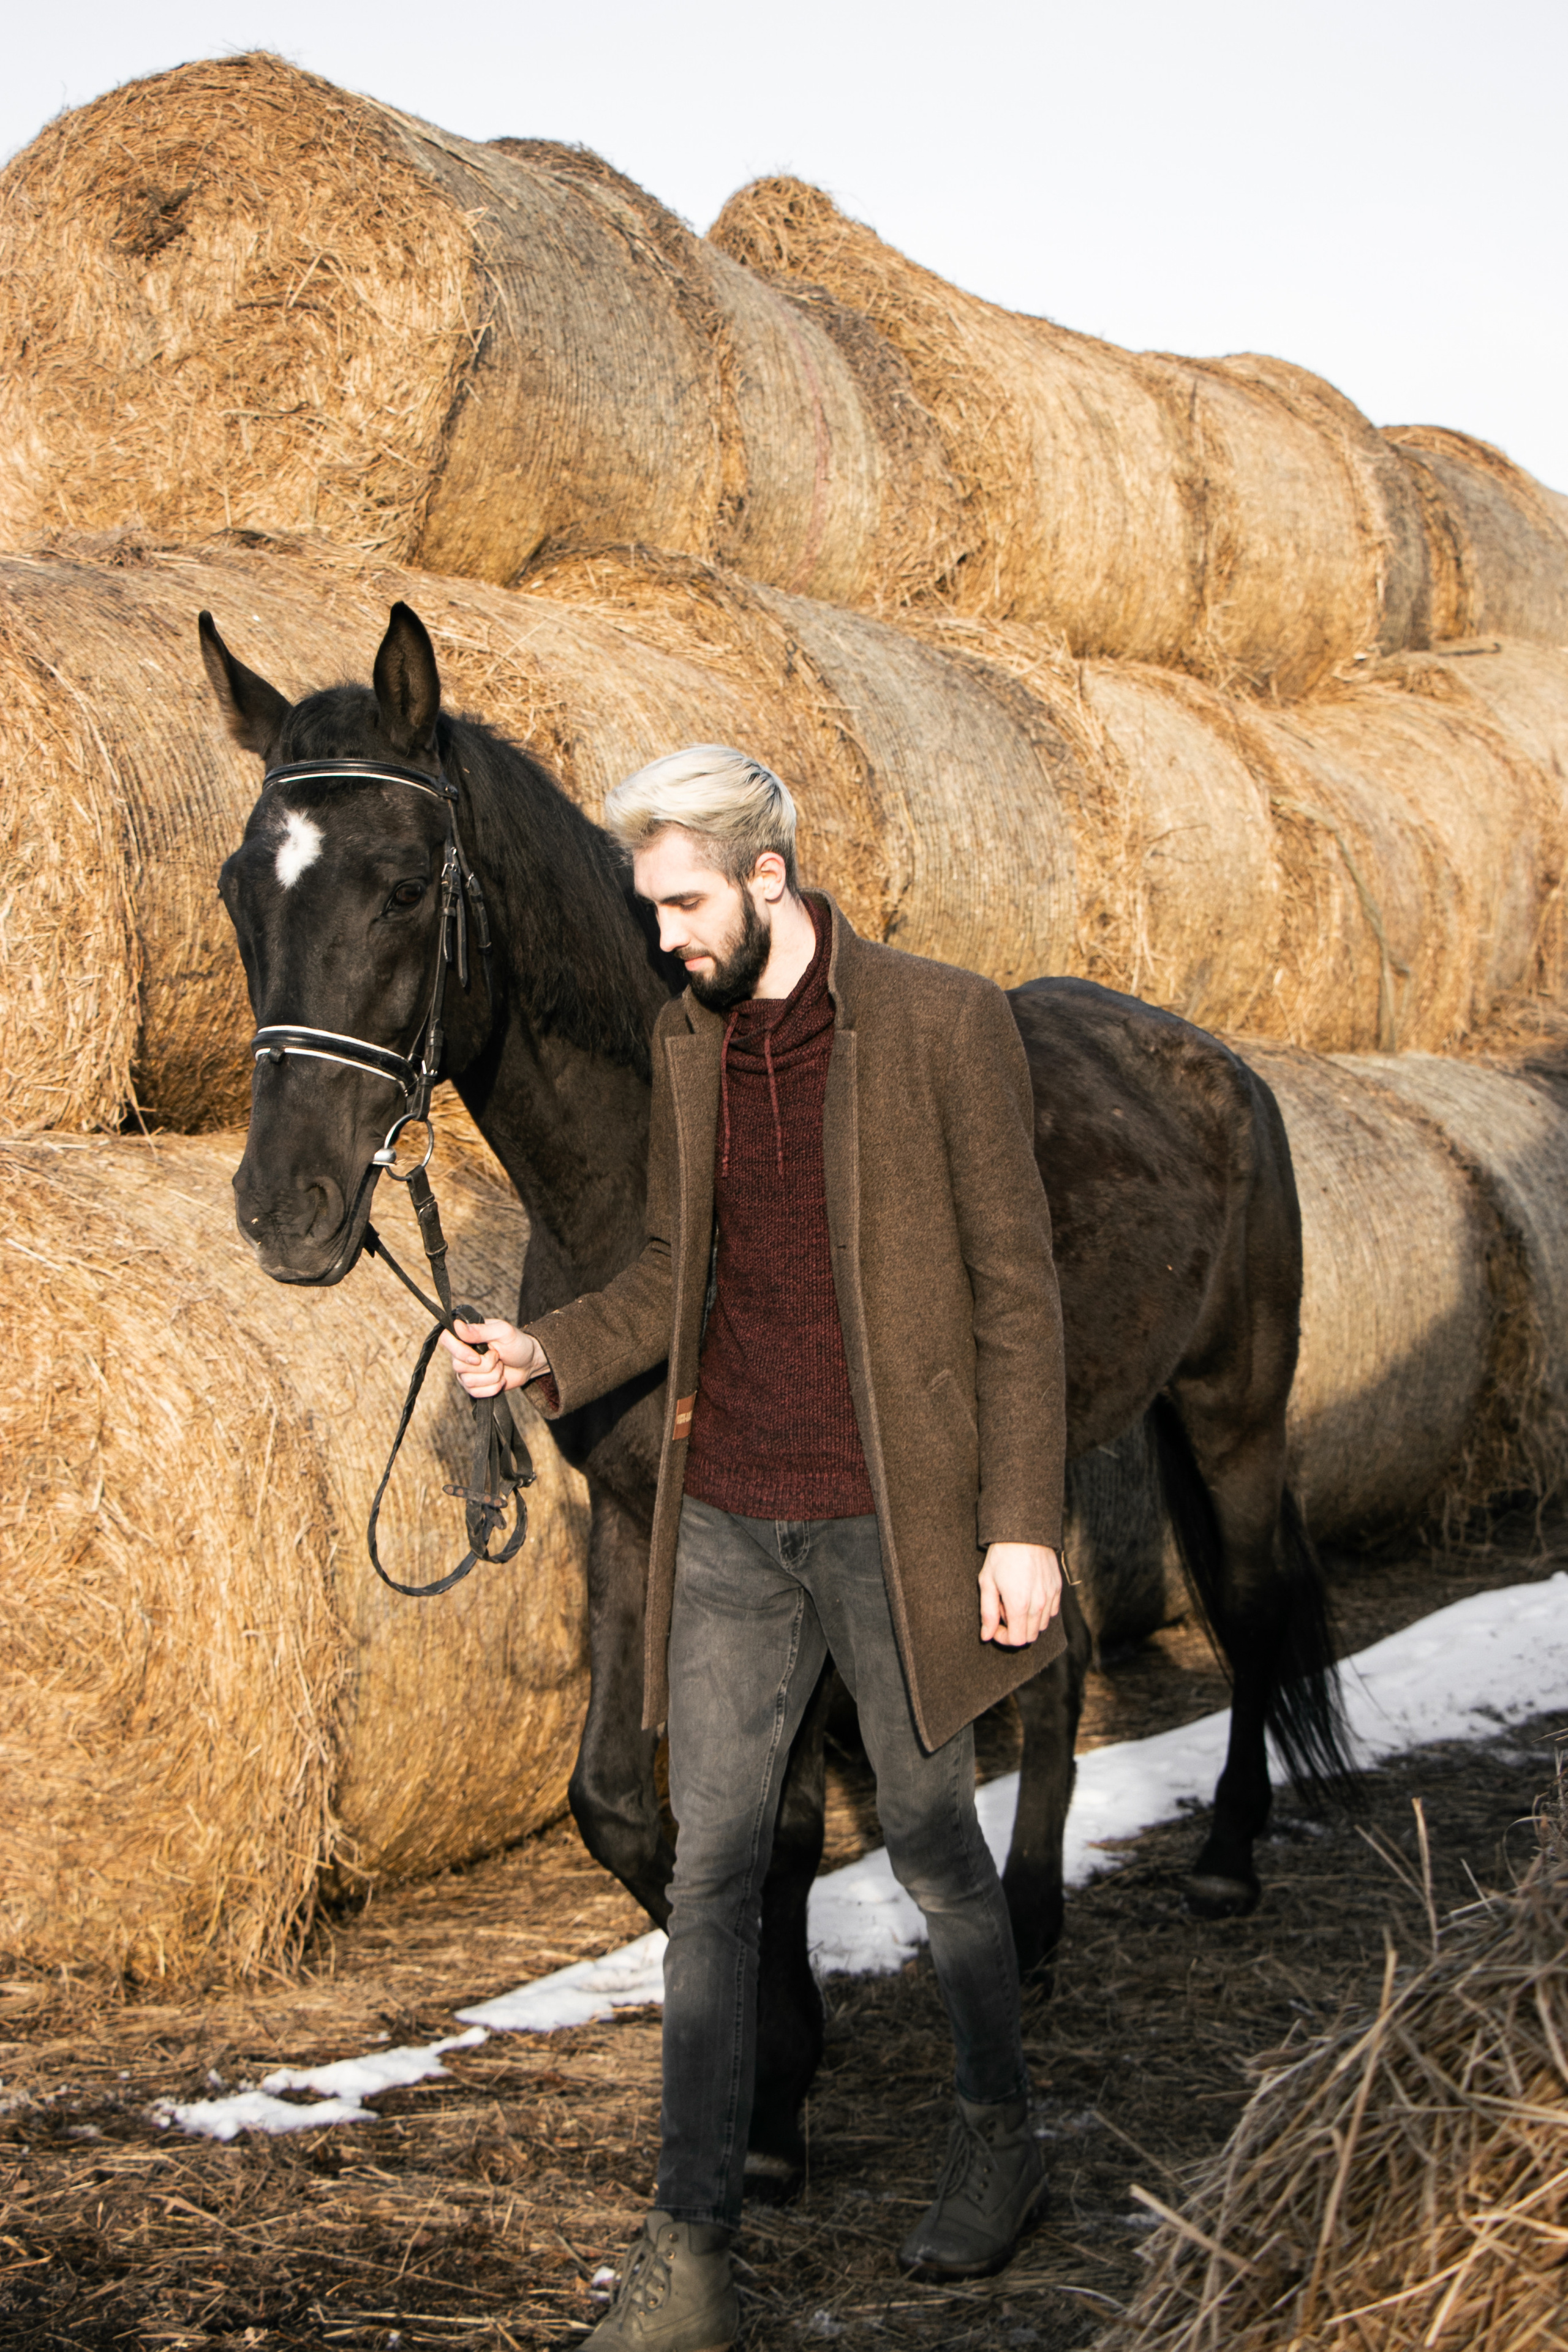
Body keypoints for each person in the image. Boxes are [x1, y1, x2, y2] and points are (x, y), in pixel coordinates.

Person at [442, 746, 1068, 2352]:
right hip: (727, 1518)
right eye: (650, 910)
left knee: (930, 1842)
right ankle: (692, 2248)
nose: (662, 940)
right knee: (713, 1868)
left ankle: (1001, 2139)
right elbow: (672, 1268)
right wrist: (547, 1352)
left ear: (767, 879)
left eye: (683, 907)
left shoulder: (941, 1023)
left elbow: (1017, 1291)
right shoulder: (686, 1040)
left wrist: (1018, 1524)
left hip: (892, 1519)